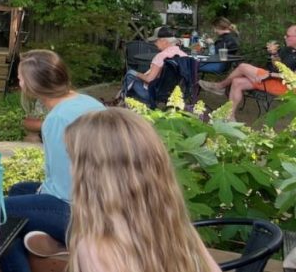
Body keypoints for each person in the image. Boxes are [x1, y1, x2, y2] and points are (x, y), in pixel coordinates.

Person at [63, 108, 218, 272]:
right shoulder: (173, 225)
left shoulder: (96, 249)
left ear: (93, 175)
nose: (70, 169)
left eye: (73, 160)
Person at [0, 50, 105, 272]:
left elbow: (63, 189)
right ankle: (46, 243)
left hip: (80, 214)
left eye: (20, 77)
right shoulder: (87, 101)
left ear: (33, 86)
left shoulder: (57, 120)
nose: (18, 81)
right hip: (104, 201)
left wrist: (36, 198)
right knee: (19, 190)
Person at [200, 24, 296, 119]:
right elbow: (278, 66)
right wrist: (274, 54)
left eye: (287, 36)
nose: (284, 37)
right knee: (237, 82)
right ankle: (229, 116)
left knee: (243, 67)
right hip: (273, 80)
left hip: (288, 88)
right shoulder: (288, 50)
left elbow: (293, 77)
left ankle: (220, 86)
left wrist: (270, 74)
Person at [119, 27, 186, 103]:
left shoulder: (161, 56)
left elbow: (149, 80)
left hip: (152, 94)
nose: (154, 43)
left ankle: (121, 100)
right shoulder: (184, 56)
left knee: (130, 74)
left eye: (156, 41)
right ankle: (121, 98)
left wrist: (136, 73)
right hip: (174, 95)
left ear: (163, 41)